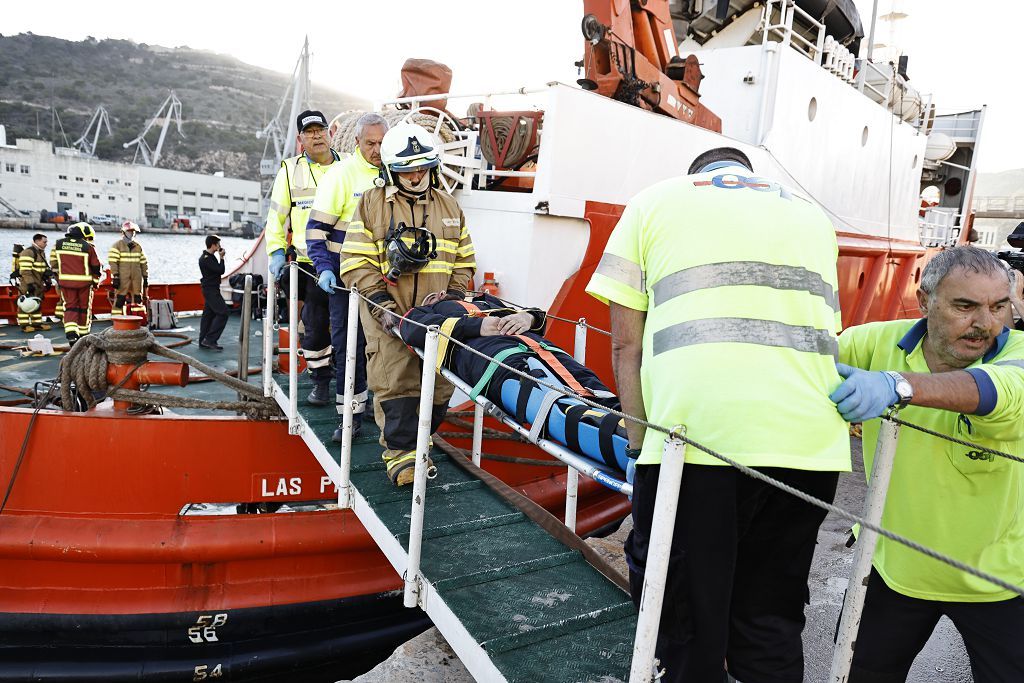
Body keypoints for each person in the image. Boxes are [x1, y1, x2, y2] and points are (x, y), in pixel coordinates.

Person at [586, 147, 850, 683]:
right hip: (809, 444)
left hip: (698, 438)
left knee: (685, 614)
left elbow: (625, 348)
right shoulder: (810, 215)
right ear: (746, 174)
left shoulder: (652, 203)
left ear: (696, 175)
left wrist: (640, 443)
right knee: (770, 615)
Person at [830, 246, 1024, 683]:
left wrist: (896, 385)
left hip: (1000, 578)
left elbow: (1002, 389)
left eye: (999, 307)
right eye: (964, 306)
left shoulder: (1018, 353)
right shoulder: (872, 343)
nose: (985, 324)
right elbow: (799, 371)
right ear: (925, 300)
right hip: (891, 568)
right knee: (858, 675)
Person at [340, 122, 476, 486]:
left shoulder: (450, 207)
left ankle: (422, 441)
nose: (415, 176)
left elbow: (463, 260)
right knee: (395, 379)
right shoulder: (370, 204)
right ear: (390, 170)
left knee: (440, 382)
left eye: (421, 168)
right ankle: (400, 456)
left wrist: (454, 296)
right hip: (387, 310)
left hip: (436, 313)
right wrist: (381, 303)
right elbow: (353, 262)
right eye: (406, 169)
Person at [398, 291, 635, 478]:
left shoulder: (486, 300)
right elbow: (410, 328)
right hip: (499, 363)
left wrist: (526, 317)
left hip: (550, 353)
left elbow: (536, 315)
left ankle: (646, 442)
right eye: (429, 297)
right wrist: (478, 327)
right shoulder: (424, 313)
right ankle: (639, 459)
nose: (436, 294)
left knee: (604, 397)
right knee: (557, 413)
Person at [306, 112, 388, 441]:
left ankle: (374, 405)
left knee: (383, 345)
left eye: (382, 143)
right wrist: (324, 268)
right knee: (348, 345)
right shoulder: (340, 175)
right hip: (345, 280)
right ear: (357, 142)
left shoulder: (396, 174)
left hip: (385, 279)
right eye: (370, 143)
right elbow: (315, 231)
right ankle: (349, 417)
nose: (377, 150)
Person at [265, 110, 340, 405]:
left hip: (345, 260)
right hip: (310, 262)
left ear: (329, 133)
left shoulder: (347, 165)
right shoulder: (289, 169)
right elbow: (276, 216)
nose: (317, 135)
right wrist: (275, 251)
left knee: (349, 324)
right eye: (310, 132)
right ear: (300, 139)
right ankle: (320, 381)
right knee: (315, 322)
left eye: (321, 129)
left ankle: (349, 380)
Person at [50, 222, 101, 345]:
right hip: (84, 284)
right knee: (84, 308)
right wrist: (95, 282)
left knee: (70, 307)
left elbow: (54, 264)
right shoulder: (87, 246)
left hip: (66, 283)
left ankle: (71, 334)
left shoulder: (57, 244)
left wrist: (59, 278)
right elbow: (95, 266)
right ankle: (83, 335)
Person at [107, 221, 148, 316]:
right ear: (124, 232)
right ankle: (116, 319)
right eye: (130, 231)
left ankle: (137, 319)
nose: (132, 233)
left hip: (137, 278)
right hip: (122, 278)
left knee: (138, 299)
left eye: (133, 231)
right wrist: (116, 276)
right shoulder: (117, 245)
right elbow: (113, 262)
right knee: (120, 300)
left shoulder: (138, 246)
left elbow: (144, 263)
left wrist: (145, 277)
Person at [15, 233, 52, 332]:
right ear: (37, 241)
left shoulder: (40, 252)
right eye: (44, 242)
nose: (46, 244)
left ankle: (37, 324)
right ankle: (24, 325)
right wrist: (30, 284)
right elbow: (25, 270)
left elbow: (40, 268)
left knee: (37, 303)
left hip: (38, 282)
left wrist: (47, 279)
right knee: (25, 304)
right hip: (28, 283)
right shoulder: (28, 252)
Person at [198, 235, 229, 350]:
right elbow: (220, 270)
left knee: (208, 315)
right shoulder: (206, 259)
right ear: (213, 245)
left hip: (211, 289)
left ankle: (203, 340)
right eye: (218, 244)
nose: (220, 246)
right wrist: (221, 258)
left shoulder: (209, 257)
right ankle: (210, 339)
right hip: (211, 290)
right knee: (223, 313)